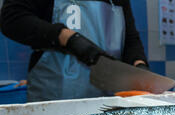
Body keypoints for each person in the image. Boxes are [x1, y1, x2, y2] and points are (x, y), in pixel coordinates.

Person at [0, 0, 149, 102]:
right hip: (55, 102)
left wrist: (139, 65)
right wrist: (68, 38)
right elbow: (12, 18)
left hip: (109, 101)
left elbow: (130, 39)